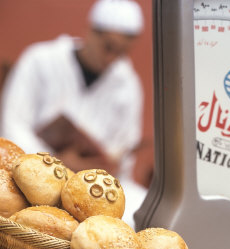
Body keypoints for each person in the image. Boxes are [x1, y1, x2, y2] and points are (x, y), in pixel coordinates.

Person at [0, 0, 148, 228]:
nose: (111, 58)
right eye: (108, 47)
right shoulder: (41, 60)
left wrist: (101, 163)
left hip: (90, 187)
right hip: (33, 171)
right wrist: (56, 161)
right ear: (90, 31)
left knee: (143, 209)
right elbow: (12, 124)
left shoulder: (127, 85)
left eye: (121, 52)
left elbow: (123, 154)